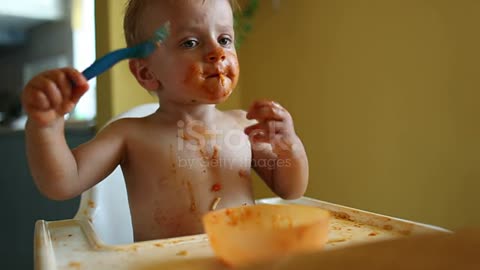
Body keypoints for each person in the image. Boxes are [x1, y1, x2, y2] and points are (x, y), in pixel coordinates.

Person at [21, 0, 308, 242]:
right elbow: (62, 182)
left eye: (224, 39)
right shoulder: (130, 135)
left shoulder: (243, 126)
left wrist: (289, 148)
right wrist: (46, 126)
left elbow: (290, 189)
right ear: (146, 73)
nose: (216, 52)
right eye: (191, 42)